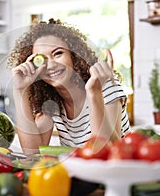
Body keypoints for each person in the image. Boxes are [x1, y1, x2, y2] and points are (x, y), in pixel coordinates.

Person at [7, 18, 130, 154]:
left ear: (74, 55)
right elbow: (32, 153)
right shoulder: (51, 101)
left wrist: (94, 92)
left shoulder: (104, 86)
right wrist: (20, 90)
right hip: (77, 172)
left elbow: (107, 150)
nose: (51, 65)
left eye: (58, 53)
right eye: (42, 59)